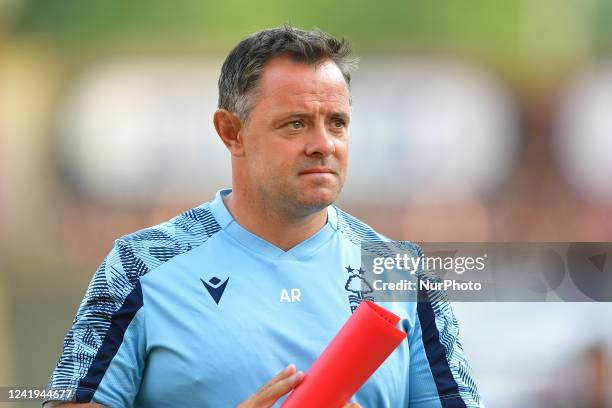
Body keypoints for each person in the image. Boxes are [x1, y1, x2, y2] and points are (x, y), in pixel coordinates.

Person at [44, 26, 484, 407]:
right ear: (231, 132)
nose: (323, 144)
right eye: (295, 124)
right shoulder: (140, 264)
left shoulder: (400, 272)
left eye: (337, 123)